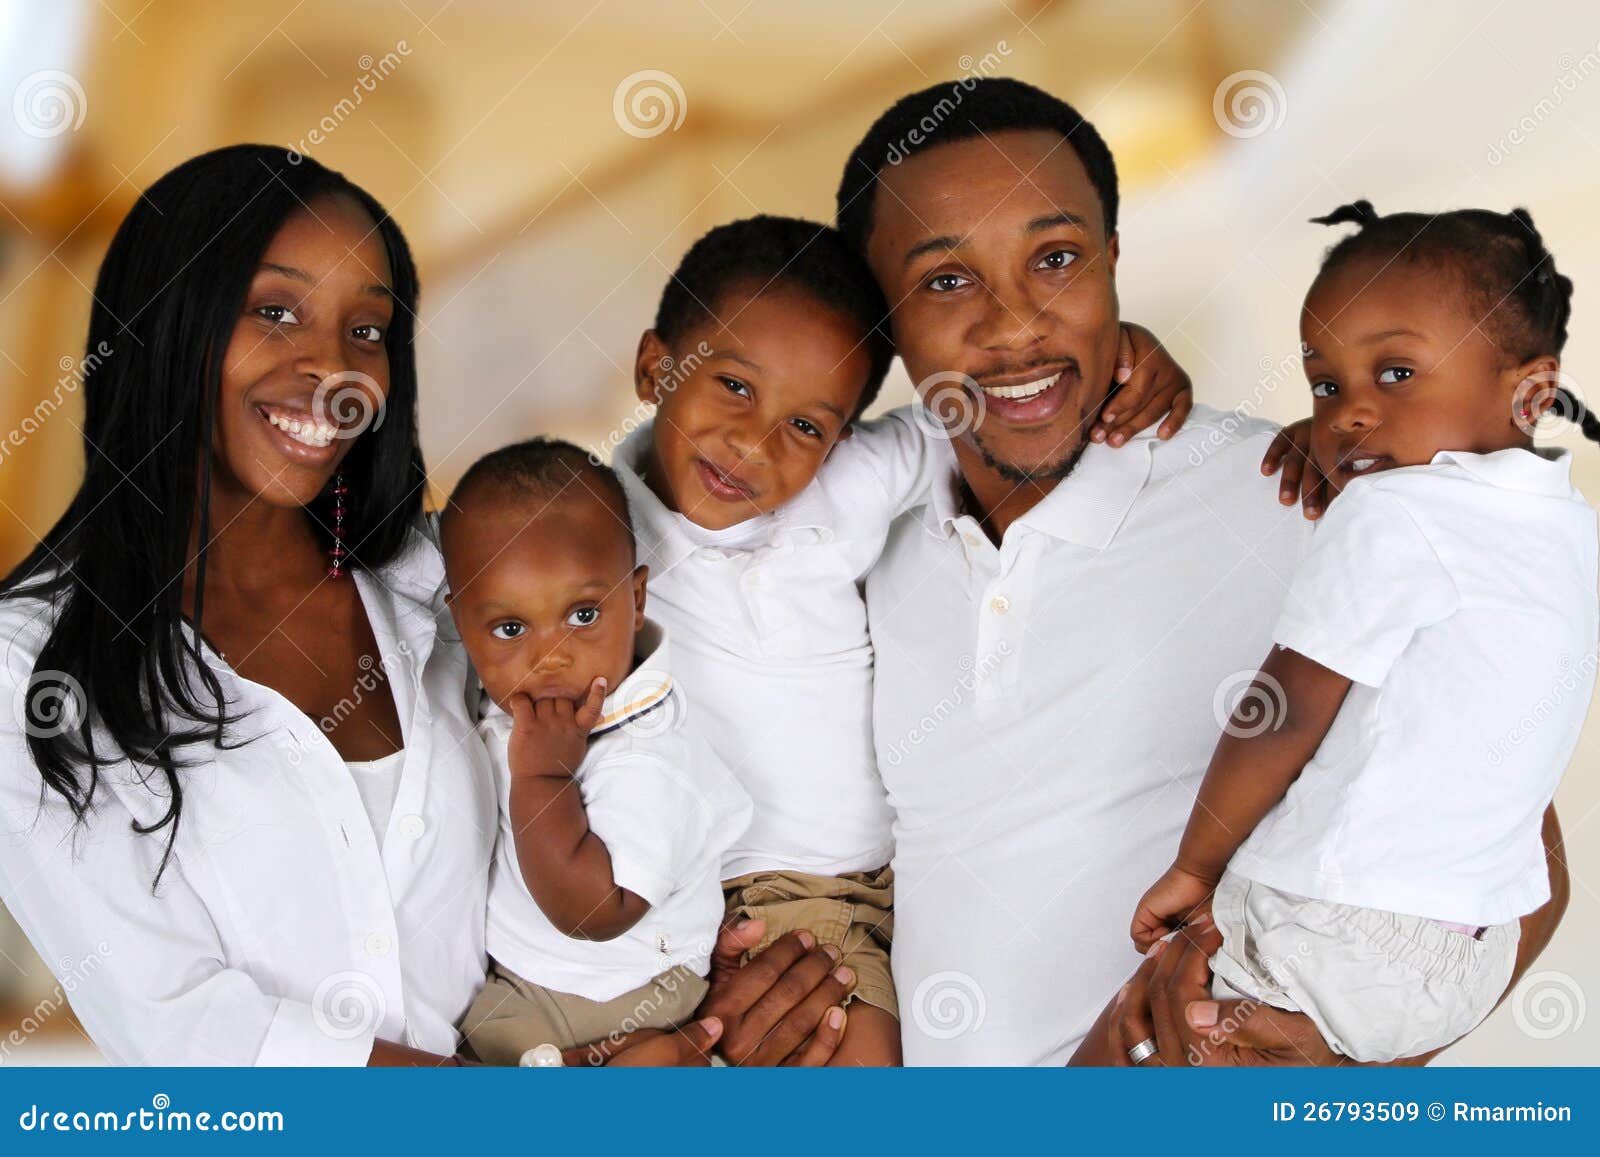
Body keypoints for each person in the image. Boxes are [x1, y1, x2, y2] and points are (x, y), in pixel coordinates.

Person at [0, 146, 856, 1068]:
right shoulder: (30, 672)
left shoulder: (448, 582)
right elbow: (192, 1031)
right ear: (165, 322)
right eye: (275, 311)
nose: (334, 369)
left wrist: (693, 974)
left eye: (366, 331)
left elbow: (626, 773)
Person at [841, 78, 1570, 1066]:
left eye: (1055, 259)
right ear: (879, 319)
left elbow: (1515, 851)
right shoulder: (846, 533)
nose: (1014, 324)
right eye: (943, 280)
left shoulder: (1305, 500)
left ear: (1111, 262)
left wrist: (1353, 1065)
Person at [612, 214, 1192, 1064]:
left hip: (853, 891)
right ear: (656, 367)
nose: (756, 442)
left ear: (841, 438)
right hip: (684, 899)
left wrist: (1121, 359)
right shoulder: (584, 526)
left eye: (807, 426)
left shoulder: (845, 489)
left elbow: (984, 413)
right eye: (733, 386)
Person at [1130, 201, 1597, 1063]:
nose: (1345, 415)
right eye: (1325, 383)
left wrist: (1197, 865)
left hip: (1336, 921)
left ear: (1530, 389)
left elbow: (1285, 708)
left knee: (1111, 1070)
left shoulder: (1394, 514)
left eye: (1395, 375)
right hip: (1471, 951)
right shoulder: (1570, 526)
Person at [442, 438, 751, 1062]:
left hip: (624, 987)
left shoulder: (649, 751)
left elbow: (595, 912)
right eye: (508, 629)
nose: (550, 657)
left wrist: (543, 780)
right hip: (531, 975)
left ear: (635, 600)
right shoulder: (512, 700)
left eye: (583, 615)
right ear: (463, 625)